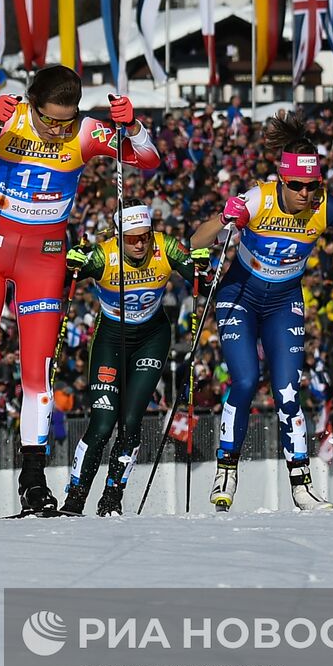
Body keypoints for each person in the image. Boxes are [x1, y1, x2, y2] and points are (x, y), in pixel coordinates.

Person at [0, 65, 160, 513]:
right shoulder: (10, 116)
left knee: (38, 372)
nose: (58, 130)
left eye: (65, 120)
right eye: (49, 120)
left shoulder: (87, 131)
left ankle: (33, 479)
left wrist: (133, 126)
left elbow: (148, 160)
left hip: (44, 256)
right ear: (30, 103)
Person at [191, 112, 333, 511]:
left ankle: (301, 484)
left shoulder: (324, 207)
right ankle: (225, 470)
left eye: (313, 187)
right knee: (245, 381)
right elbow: (196, 240)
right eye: (297, 186)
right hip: (240, 296)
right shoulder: (258, 198)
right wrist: (226, 217)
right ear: (282, 181)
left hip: (283, 301)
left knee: (286, 391)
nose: (305, 195)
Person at [60, 203, 210, 516]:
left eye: (145, 236)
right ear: (119, 237)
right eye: (132, 239)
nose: (141, 244)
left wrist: (202, 267)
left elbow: (201, 283)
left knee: (130, 423)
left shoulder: (165, 247)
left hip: (151, 340)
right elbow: (63, 280)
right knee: (102, 425)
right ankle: (74, 500)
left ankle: (112, 499)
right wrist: (69, 263)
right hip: (110, 341)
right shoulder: (103, 255)